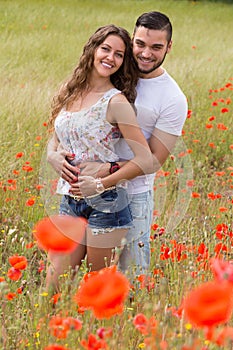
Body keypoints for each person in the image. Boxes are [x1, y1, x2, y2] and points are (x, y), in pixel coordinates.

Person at [47, 12, 188, 278]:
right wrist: (52, 154)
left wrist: (104, 172)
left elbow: (153, 160)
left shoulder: (172, 98)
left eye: (157, 47)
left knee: (128, 279)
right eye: (140, 44)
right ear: (132, 41)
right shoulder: (115, 76)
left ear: (169, 47)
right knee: (65, 275)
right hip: (79, 192)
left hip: (132, 195)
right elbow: (70, 125)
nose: (146, 53)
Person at [46, 24, 154, 290]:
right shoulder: (70, 91)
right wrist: (52, 155)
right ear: (93, 49)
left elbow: (146, 160)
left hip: (107, 203)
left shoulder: (115, 103)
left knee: (97, 290)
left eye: (119, 54)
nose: (110, 57)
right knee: (52, 287)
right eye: (105, 49)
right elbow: (58, 134)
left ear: (123, 62)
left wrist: (101, 182)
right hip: (70, 200)